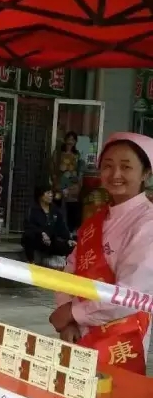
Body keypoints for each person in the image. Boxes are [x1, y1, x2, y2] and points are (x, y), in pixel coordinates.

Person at [49, 132, 153, 374]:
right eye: (107, 166)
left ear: (145, 174)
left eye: (126, 167)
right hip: (76, 333)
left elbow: (130, 295)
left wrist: (72, 313)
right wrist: (68, 319)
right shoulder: (96, 219)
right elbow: (70, 271)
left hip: (120, 338)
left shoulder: (147, 223)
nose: (115, 174)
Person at [21, 185, 75, 264]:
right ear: (40, 196)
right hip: (38, 239)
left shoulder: (55, 210)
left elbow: (61, 227)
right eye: (48, 193)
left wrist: (69, 239)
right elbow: (28, 226)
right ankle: (31, 261)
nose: (51, 195)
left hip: (51, 241)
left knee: (70, 246)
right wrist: (42, 233)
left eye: (51, 193)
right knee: (28, 236)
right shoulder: (33, 209)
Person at [51, 130, 84, 232]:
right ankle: (55, 229)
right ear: (65, 140)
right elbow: (52, 168)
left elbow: (79, 170)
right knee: (57, 206)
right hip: (59, 183)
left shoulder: (77, 155)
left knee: (71, 208)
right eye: (69, 139)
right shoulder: (58, 153)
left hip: (72, 185)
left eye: (73, 140)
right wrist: (54, 181)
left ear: (75, 142)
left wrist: (79, 184)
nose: (70, 142)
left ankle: (69, 230)